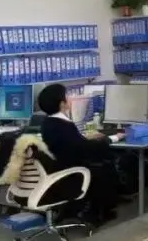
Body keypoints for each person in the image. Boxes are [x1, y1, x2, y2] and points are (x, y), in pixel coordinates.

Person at [37, 83, 123, 223]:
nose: (70, 98)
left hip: (60, 168)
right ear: (62, 104)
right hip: (73, 173)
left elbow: (73, 143)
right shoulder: (63, 125)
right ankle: (97, 213)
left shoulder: (48, 122)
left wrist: (85, 138)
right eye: (67, 96)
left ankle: (87, 208)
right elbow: (87, 149)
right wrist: (113, 138)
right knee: (106, 164)